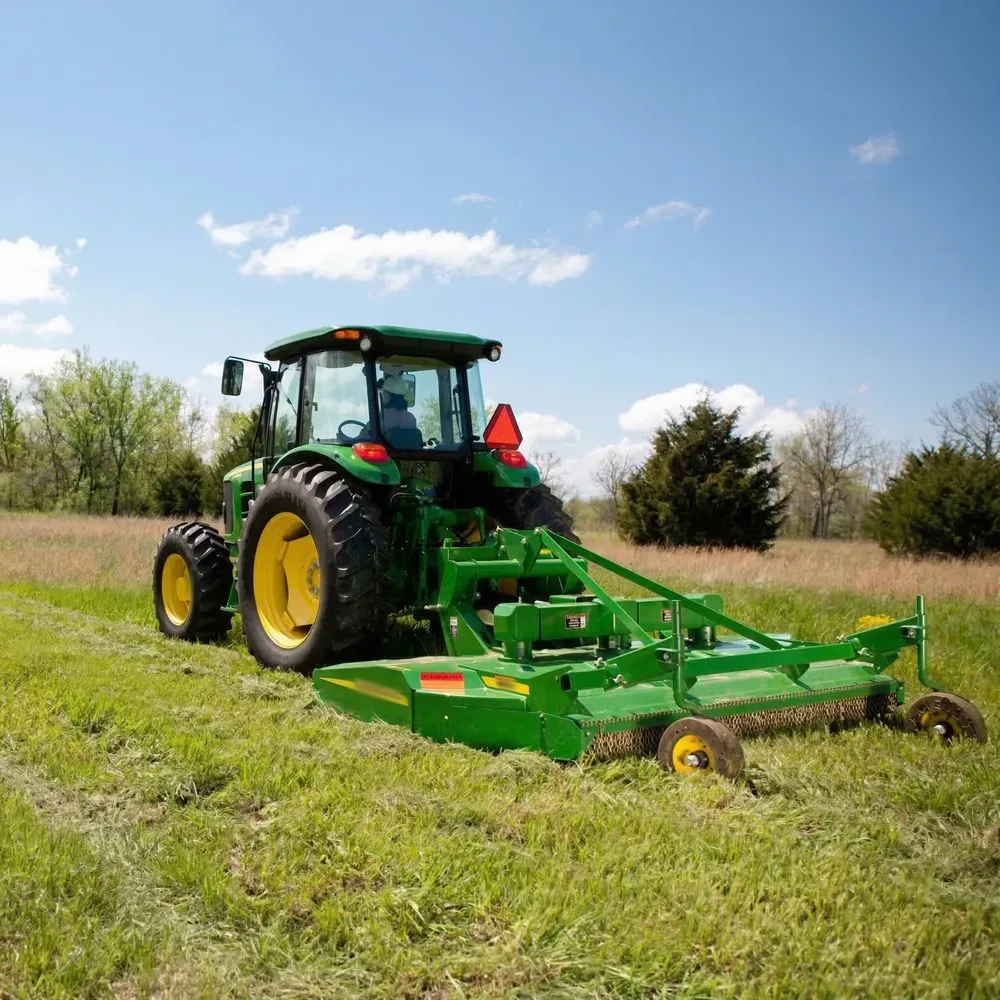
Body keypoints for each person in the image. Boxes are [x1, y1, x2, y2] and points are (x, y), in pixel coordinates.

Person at [379, 373, 421, 448]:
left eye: (383, 392)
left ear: (388, 395)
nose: (382, 395)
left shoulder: (381, 417)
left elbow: (364, 437)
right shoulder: (410, 418)